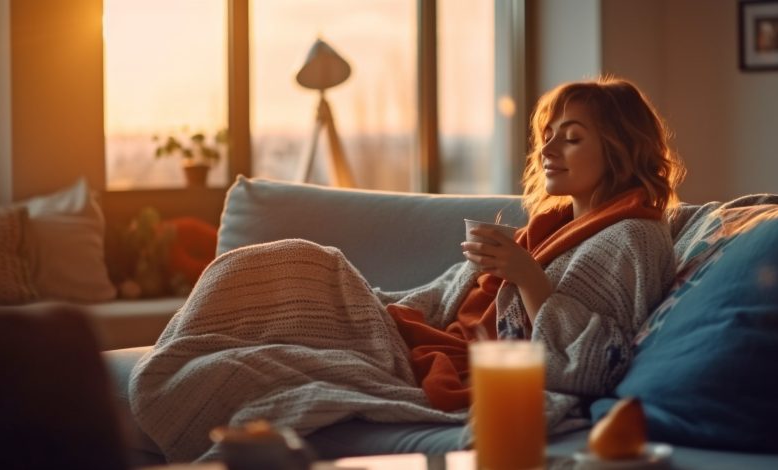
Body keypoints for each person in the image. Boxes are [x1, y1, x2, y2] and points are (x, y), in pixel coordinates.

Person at [129, 76, 685, 462]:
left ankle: (173, 379)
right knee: (283, 266)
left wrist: (527, 276)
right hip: (423, 335)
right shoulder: (549, 225)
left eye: (572, 137)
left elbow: (594, 364)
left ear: (618, 148)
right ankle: (176, 362)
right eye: (548, 135)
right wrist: (371, 303)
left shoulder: (632, 236)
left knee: (293, 276)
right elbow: (444, 297)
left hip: (463, 366)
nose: (549, 149)